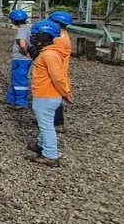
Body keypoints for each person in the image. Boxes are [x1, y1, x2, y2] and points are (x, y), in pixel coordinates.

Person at [26, 20, 72, 167]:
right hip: (46, 95)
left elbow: (57, 77)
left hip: (46, 95)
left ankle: (50, 155)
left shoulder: (49, 55)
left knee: (46, 125)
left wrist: (66, 92)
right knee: (45, 122)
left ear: (43, 36)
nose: (32, 37)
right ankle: (41, 145)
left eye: (35, 35)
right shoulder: (49, 52)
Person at [48, 11, 73, 133]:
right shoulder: (62, 35)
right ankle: (52, 120)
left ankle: (57, 123)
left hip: (58, 71)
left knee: (55, 96)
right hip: (60, 70)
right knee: (53, 96)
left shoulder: (58, 39)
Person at [5, 9, 32, 110]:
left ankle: (21, 101)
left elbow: (22, 44)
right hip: (23, 60)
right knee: (16, 78)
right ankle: (11, 98)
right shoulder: (27, 28)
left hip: (21, 59)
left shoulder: (21, 30)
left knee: (20, 80)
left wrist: (26, 53)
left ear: (14, 20)